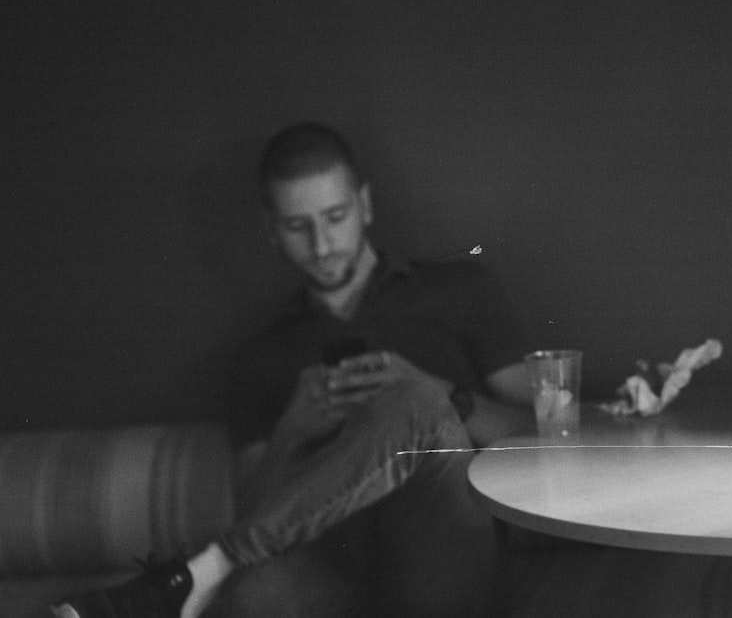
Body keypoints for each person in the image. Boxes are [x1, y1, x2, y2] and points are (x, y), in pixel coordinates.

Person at [52, 123, 536, 618]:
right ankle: (210, 573)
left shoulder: (458, 290)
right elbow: (254, 507)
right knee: (252, 596)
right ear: (271, 229)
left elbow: (541, 432)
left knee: (411, 402)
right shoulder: (262, 356)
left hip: (445, 549)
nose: (322, 245)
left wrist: (441, 395)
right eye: (297, 226)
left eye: (335, 217)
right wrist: (292, 429)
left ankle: (202, 570)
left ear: (364, 205)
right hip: (330, 568)